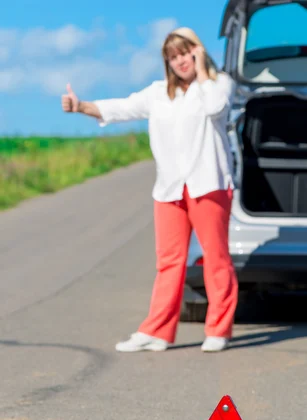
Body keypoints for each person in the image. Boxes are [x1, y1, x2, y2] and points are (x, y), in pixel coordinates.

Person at [61, 27, 238, 353]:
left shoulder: (217, 84)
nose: (180, 61)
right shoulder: (159, 93)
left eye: (185, 52)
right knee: (168, 262)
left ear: (197, 51)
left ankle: (219, 329)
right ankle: (157, 331)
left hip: (208, 185)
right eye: (173, 56)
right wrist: (80, 106)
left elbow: (215, 108)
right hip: (170, 189)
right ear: (167, 62)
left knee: (216, 259)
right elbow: (122, 108)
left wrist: (202, 71)